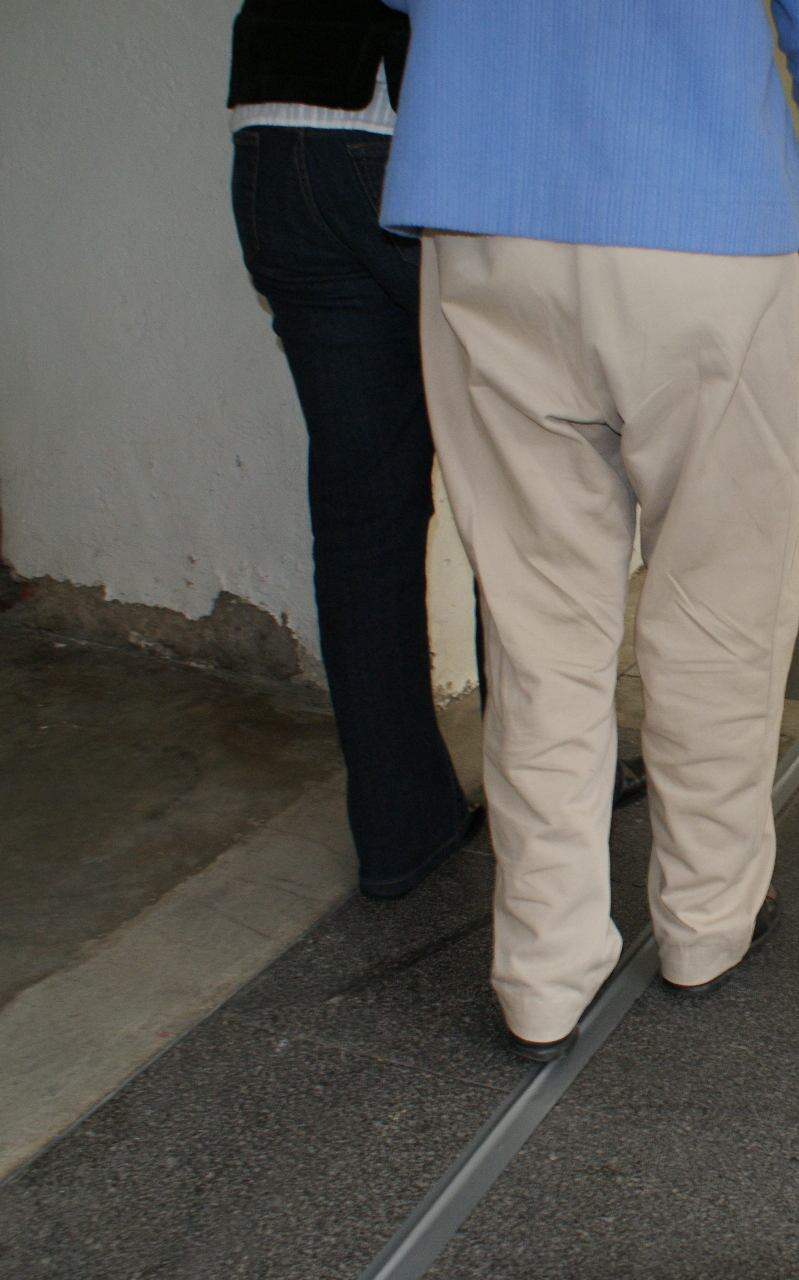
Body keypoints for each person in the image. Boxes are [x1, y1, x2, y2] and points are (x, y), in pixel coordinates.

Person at [381, 1, 799, 1060]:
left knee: (534, 620)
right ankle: (706, 922)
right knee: (721, 595)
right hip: (703, 207)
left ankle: (540, 971)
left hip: (484, 209)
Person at [224, 0, 645, 900]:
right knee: (526, 488)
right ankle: (554, 780)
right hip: (413, 142)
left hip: (270, 142)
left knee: (360, 516)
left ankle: (398, 832)